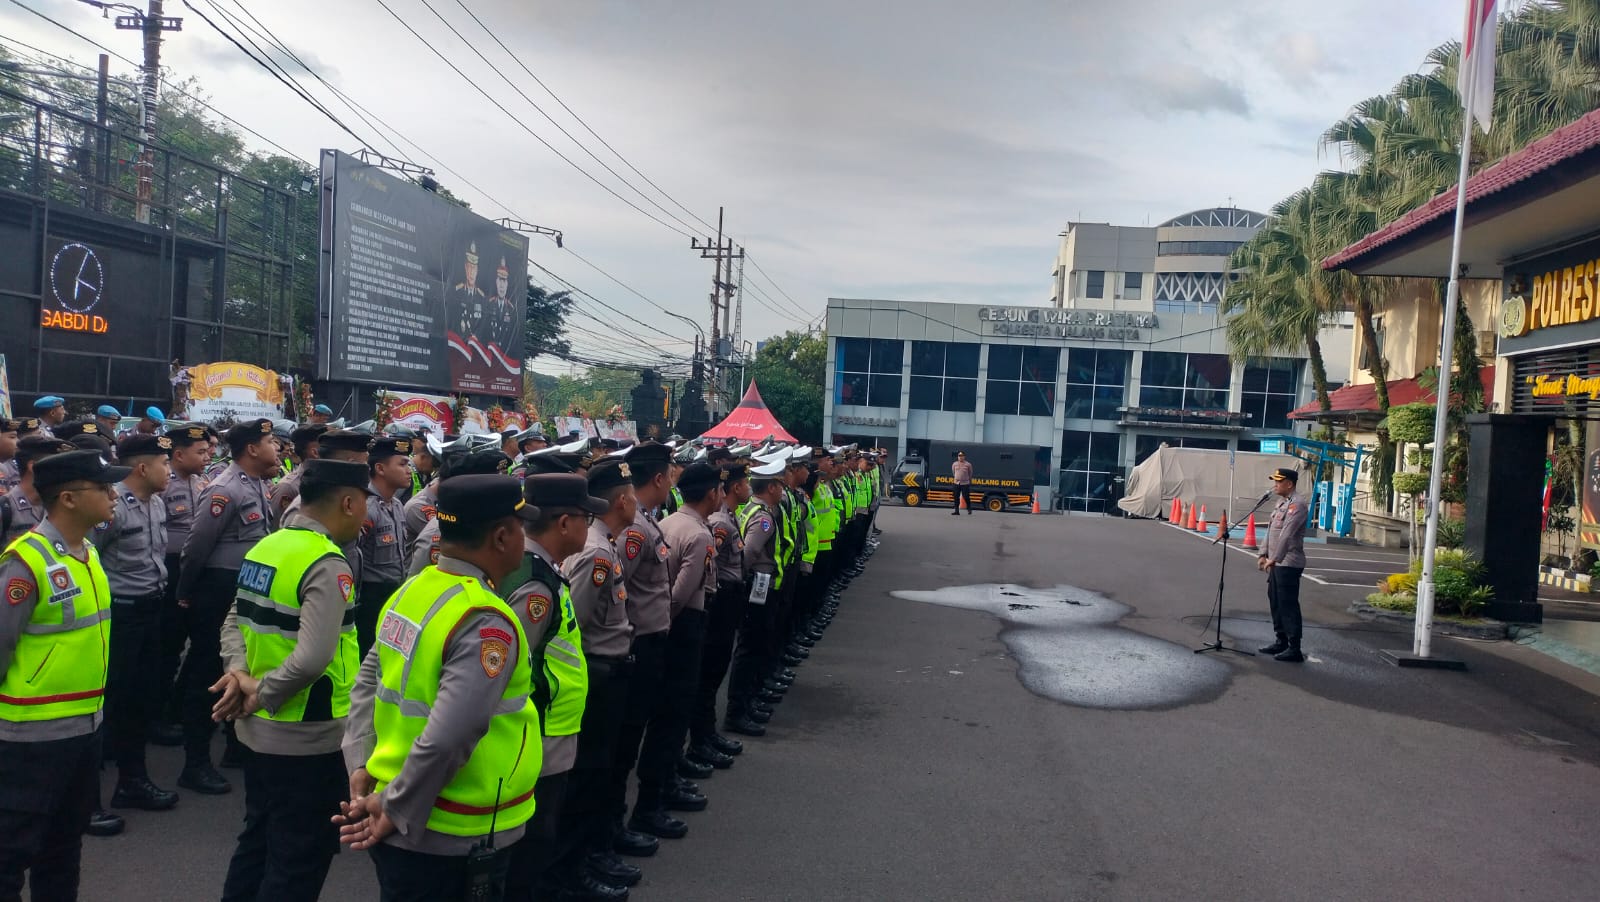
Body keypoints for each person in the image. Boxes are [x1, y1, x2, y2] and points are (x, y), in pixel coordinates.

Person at [337, 474, 543, 901]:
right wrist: (394, 806)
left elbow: (366, 682)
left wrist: (360, 766)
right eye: (522, 528)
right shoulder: (485, 619)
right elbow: (450, 736)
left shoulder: (414, 588)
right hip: (454, 828)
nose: (526, 538)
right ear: (502, 536)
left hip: (395, 802)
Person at [213, 459, 369, 902]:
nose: (366, 517)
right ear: (347, 502)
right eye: (363, 505)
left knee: (258, 840)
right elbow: (313, 659)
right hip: (308, 736)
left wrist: (239, 677)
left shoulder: (267, 546)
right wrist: (258, 694)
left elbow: (232, 622)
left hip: (258, 732)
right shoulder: (326, 562)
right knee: (298, 861)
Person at [0, 450, 127, 898]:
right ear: (69, 499)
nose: (115, 495)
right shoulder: (25, 562)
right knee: (11, 852)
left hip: (85, 725)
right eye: (104, 488)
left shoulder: (88, 552)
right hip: (31, 736)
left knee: (63, 846)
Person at [505, 474, 607, 902]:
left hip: (551, 729)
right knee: (533, 841)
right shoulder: (534, 584)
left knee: (543, 833)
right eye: (586, 517)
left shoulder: (543, 571)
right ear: (564, 523)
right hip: (538, 733)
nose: (590, 526)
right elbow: (511, 670)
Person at [551, 456, 640, 899]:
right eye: (631, 496)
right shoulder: (597, 553)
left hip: (611, 673)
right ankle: (571, 870)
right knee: (586, 777)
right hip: (598, 677)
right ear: (622, 501)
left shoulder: (606, 544)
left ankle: (589, 855)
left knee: (600, 772)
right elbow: (576, 630)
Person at [175, 418, 279, 795]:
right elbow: (196, 546)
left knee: (239, 665)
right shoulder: (225, 489)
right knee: (207, 673)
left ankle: (235, 746)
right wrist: (186, 592)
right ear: (252, 449)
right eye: (270, 441)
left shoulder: (256, 484)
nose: (277, 447)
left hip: (243, 588)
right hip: (217, 589)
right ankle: (195, 762)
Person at [91, 433, 181, 813]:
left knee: (140, 703)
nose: (169, 470)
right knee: (108, 706)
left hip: (150, 611)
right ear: (142, 467)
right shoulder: (112, 506)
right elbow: (90, 560)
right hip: (120, 616)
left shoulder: (156, 502)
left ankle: (131, 781)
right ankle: (87, 799)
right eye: (164, 463)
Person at [635, 463, 721, 833]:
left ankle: (666, 783)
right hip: (683, 628)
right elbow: (678, 596)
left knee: (664, 716)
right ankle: (655, 798)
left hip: (667, 631)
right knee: (671, 718)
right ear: (710, 494)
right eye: (718, 489)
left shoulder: (669, 522)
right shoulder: (699, 535)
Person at [609, 442, 673, 856]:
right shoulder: (635, 530)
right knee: (622, 746)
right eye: (670, 473)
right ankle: (613, 828)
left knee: (633, 736)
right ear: (659, 478)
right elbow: (621, 588)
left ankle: (617, 824)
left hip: (650, 641)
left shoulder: (648, 520)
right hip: (636, 644)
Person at [153, 425, 211, 748]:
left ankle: (173, 707)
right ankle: (156, 714)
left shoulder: (201, 483)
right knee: (167, 645)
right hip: (169, 569)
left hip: (193, 568)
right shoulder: (163, 485)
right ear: (178, 455)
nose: (207, 457)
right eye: (200, 452)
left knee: (188, 643)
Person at [688, 462, 750, 770]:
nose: (749, 485)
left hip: (729, 598)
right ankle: (700, 740)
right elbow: (709, 565)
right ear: (734, 488)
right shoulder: (720, 524)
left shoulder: (729, 518)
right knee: (709, 673)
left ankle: (708, 734)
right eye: (746, 481)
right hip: (720, 600)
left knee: (714, 672)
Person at [357, 437, 412, 658]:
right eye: (402, 464)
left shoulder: (397, 505)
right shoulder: (366, 508)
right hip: (370, 598)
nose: (409, 470)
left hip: (393, 594)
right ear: (380, 468)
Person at [1258, 468, 1308, 663]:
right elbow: (1271, 530)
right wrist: (1263, 553)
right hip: (1277, 563)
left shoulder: (1298, 505)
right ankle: (1281, 641)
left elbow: (1287, 534)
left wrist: (1275, 558)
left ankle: (1294, 648)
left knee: (1288, 605)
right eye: (1275, 481)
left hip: (1288, 563)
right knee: (1275, 601)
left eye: (1279, 481)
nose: (1275, 485)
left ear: (1290, 484)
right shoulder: (1281, 503)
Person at [270, 424, 328, 519]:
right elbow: (277, 529)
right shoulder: (289, 487)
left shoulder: (327, 480)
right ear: (315, 452)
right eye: (328, 447)